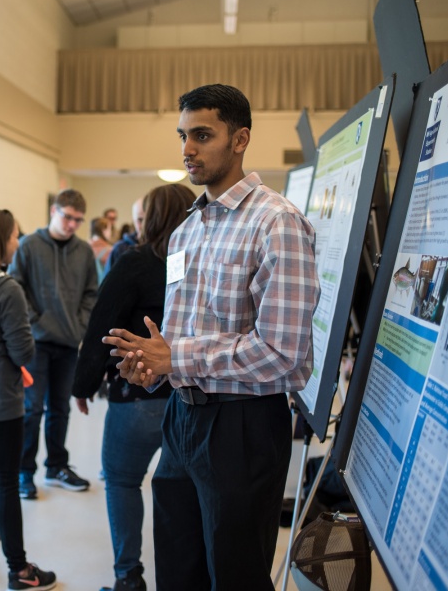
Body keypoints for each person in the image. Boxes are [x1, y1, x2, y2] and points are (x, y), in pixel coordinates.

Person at [103, 84, 320, 590]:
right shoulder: (186, 230)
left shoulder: (277, 224)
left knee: (235, 577)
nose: (187, 149)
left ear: (240, 138)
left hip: (241, 428)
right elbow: (179, 340)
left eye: (202, 135)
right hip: (180, 420)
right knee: (178, 573)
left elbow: (285, 357)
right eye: (183, 135)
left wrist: (177, 356)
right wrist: (155, 365)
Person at [73, 183, 195, 591]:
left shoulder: (135, 261)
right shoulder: (204, 262)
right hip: (192, 396)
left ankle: (129, 578)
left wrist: (83, 385)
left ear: (153, 218)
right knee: (183, 492)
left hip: (138, 395)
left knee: (123, 481)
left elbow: (102, 326)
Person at [0, 208, 57, 591]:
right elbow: (22, 352)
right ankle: (19, 570)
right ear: (0, 241)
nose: (17, 243)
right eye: (14, 235)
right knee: (4, 483)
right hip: (0, 401)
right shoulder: (8, 289)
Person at [8, 188, 98, 498]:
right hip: (36, 343)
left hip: (70, 343)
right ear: (54, 212)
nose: (72, 224)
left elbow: (91, 293)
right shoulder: (28, 246)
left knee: (61, 408)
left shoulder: (84, 252)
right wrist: (37, 321)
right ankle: (24, 472)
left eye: (78, 219)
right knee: (32, 409)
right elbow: (15, 287)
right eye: (67, 217)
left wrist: (81, 325)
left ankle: (57, 466)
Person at [104, 197, 144, 276]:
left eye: (114, 218)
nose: (144, 225)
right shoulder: (120, 247)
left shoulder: (118, 234)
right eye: (140, 220)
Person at [89, 216, 112, 283]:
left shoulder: (83, 247)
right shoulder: (109, 250)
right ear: (103, 230)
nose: (110, 233)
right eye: (109, 229)